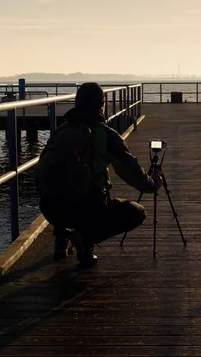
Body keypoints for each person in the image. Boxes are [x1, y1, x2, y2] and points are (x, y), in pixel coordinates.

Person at [38, 82, 162, 267]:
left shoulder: (60, 131)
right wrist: (153, 183)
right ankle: (84, 239)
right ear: (102, 104)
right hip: (87, 210)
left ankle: (61, 238)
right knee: (137, 212)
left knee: (66, 185)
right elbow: (131, 173)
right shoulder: (105, 134)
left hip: (50, 208)